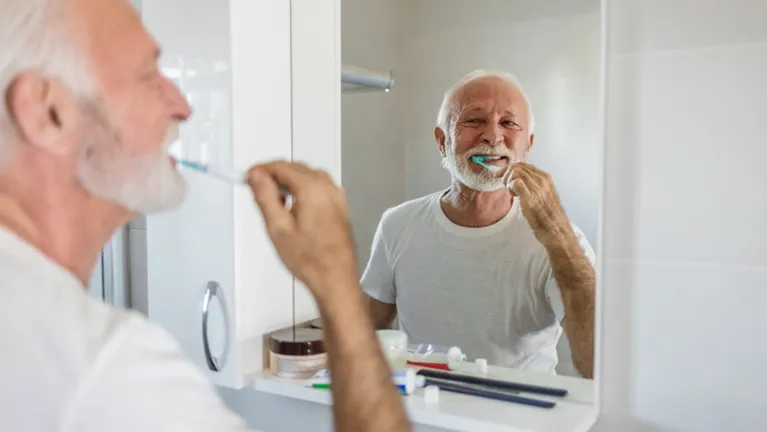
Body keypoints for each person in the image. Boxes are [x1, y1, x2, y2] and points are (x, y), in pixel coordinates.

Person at [0, 0, 410, 431]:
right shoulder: (103, 369)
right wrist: (337, 288)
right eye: (147, 76)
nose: (183, 106)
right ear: (47, 112)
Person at [361, 69, 596, 378]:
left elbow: (597, 366)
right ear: (442, 141)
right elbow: (362, 335)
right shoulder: (397, 225)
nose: (493, 136)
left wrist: (557, 232)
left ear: (528, 145)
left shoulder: (564, 242)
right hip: (424, 414)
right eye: (474, 120)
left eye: (509, 123)